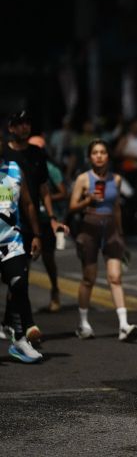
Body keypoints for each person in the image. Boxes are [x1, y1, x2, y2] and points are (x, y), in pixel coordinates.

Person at [1, 111, 68, 343]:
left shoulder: (37, 153)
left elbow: (43, 189)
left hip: (32, 222)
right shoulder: (5, 154)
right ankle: (23, 325)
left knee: (21, 275)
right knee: (19, 276)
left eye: (27, 123)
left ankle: (17, 324)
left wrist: (51, 217)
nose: (24, 127)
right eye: (19, 123)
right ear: (11, 128)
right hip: (9, 225)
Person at [69, 139, 137, 341]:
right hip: (89, 229)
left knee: (115, 277)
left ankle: (124, 325)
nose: (99, 156)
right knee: (89, 278)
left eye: (103, 152)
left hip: (110, 230)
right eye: (95, 153)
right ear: (90, 157)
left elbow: (116, 207)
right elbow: (72, 207)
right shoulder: (83, 179)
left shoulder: (116, 179)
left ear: (108, 156)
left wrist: (121, 234)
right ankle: (83, 324)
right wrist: (88, 200)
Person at [0, 136, 43, 362]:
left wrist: (36, 234)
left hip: (12, 242)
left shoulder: (15, 170)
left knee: (19, 283)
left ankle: (20, 339)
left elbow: (27, 203)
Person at [28, 135, 68, 312]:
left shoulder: (50, 169)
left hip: (47, 220)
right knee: (24, 260)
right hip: (29, 219)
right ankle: (22, 300)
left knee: (48, 257)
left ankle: (55, 291)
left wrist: (45, 199)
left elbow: (63, 192)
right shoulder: (21, 167)